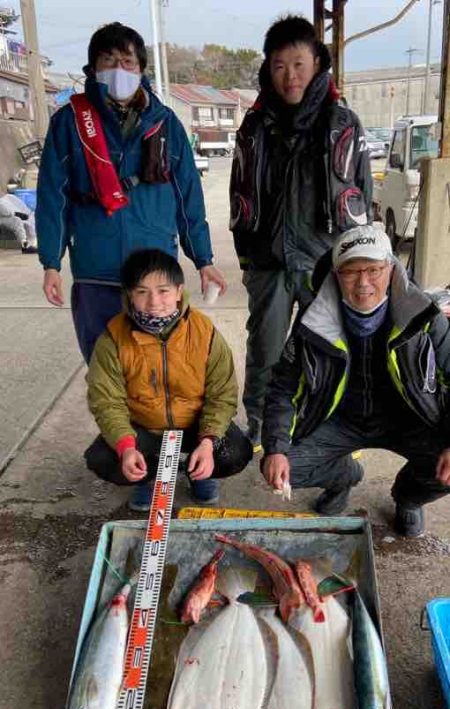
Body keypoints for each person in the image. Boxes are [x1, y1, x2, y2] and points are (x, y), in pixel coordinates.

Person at [36, 22, 225, 363]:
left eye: (128, 61)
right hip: (96, 271)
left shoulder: (165, 123)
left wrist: (204, 259)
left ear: (140, 69)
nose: (119, 70)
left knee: (160, 373)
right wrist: (51, 261)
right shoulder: (69, 122)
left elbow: (188, 199)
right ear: (93, 70)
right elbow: (53, 197)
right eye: (109, 61)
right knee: (105, 370)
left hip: (154, 279)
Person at [230, 14, 372, 452]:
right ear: (267, 70)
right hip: (269, 264)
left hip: (324, 263)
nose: (289, 75)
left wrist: (355, 263)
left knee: (328, 344)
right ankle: (259, 423)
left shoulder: (343, 122)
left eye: (298, 63)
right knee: (266, 350)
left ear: (316, 64)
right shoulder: (254, 127)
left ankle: (327, 421)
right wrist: (250, 259)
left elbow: (361, 194)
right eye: (278, 65)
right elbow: (238, 193)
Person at [261, 225, 450, 538]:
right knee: (280, 465)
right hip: (339, 420)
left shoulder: (426, 317)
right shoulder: (312, 320)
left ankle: (407, 498)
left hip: (408, 420)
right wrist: (276, 448)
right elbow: (283, 387)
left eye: (374, 269)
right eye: (351, 272)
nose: (363, 282)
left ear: (391, 270)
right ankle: (343, 477)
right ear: (336, 274)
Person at [85, 248, 252, 511]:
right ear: (129, 294)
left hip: (194, 426)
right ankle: (146, 478)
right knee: (104, 458)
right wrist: (127, 447)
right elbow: (106, 401)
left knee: (235, 452)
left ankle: (199, 471)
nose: (154, 302)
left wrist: (208, 442)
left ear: (178, 292)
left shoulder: (204, 332)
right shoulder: (112, 339)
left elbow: (222, 394)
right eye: (142, 292)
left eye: (163, 291)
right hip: (145, 427)